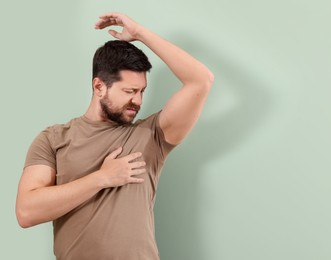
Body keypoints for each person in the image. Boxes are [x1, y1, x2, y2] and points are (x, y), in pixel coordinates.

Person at [15, 12, 214, 260]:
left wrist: (140, 33)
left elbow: (201, 80)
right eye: (130, 91)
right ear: (99, 87)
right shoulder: (53, 139)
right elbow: (26, 212)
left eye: (142, 91)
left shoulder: (151, 136)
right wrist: (102, 178)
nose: (138, 101)